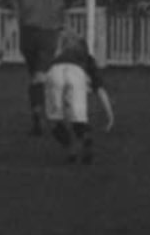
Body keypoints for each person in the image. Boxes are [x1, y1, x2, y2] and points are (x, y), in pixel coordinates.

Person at [44, 26, 114, 164]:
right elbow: (100, 89)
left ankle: (71, 150)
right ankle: (85, 138)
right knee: (78, 118)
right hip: (76, 73)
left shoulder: (58, 56)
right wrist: (110, 115)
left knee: (54, 120)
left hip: (55, 71)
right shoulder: (87, 58)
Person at [14, 0, 65, 136]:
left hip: (28, 35)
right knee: (41, 76)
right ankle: (49, 116)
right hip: (48, 34)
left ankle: (37, 114)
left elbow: (19, 15)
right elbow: (60, 13)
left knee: (34, 76)